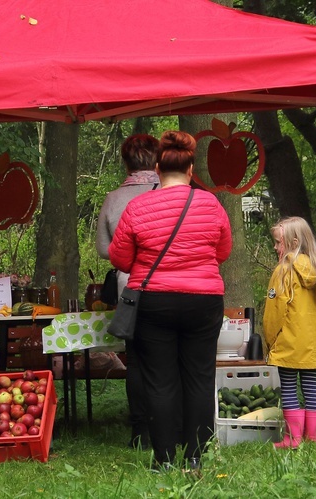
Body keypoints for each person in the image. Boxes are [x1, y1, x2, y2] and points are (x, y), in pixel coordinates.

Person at [109, 130, 232, 471]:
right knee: (200, 378)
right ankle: (195, 456)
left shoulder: (137, 206)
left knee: (159, 380)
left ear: (158, 169)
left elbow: (120, 258)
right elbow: (223, 251)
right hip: (204, 301)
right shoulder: (211, 204)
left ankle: (163, 458)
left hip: (154, 301)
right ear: (191, 171)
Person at [95, 133, 160, 449]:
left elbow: (103, 249)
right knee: (165, 357)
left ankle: (140, 433)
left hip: (129, 285)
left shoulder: (112, 199)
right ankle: (167, 425)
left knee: (136, 360)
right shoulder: (170, 192)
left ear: (126, 162)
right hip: (168, 282)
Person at [263, 217, 316, 449]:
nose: (275, 248)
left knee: (290, 388)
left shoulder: (283, 270)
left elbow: (274, 311)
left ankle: (292, 439)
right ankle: (311, 438)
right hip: (311, 343)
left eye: (278, 242)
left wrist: (270, 339)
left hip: (289, 341)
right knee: (311, 387)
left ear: (292, 242)